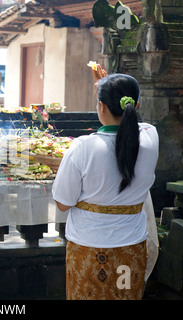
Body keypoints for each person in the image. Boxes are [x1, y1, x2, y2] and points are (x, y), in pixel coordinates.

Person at [52, 65, 159, 300]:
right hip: (131, 247)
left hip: (87, 247)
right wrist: (107, 86)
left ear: (100, 106)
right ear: (135, 106)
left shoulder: (83, 147)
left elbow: (62, 204)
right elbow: (137, 124)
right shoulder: (151, 138)